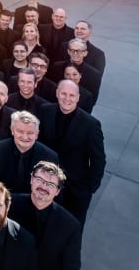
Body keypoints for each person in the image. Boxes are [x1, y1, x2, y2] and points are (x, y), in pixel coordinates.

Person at [8, 161, 82, 270]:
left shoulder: (71, 225)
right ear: (31, 180)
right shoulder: (9, 205)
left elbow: (72, 267)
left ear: (57, 191)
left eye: (50, 184)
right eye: (40, 180)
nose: (43, 186)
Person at [38, 80, 105, 229]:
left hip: (75, 191)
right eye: (63, 94)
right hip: (45, 184)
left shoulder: (91, 124)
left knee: (71, 232)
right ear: (57, 93)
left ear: (78, 98)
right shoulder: (45, 111)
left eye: (71, 95)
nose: (67, 98)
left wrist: (88, 189)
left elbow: (98, 160)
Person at [0, 111, 59, 193]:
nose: (25, 137)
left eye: (30, 133)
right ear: (12, 130)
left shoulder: (50, 157)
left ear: (37, 134)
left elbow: (52, 192)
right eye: (20, 131)